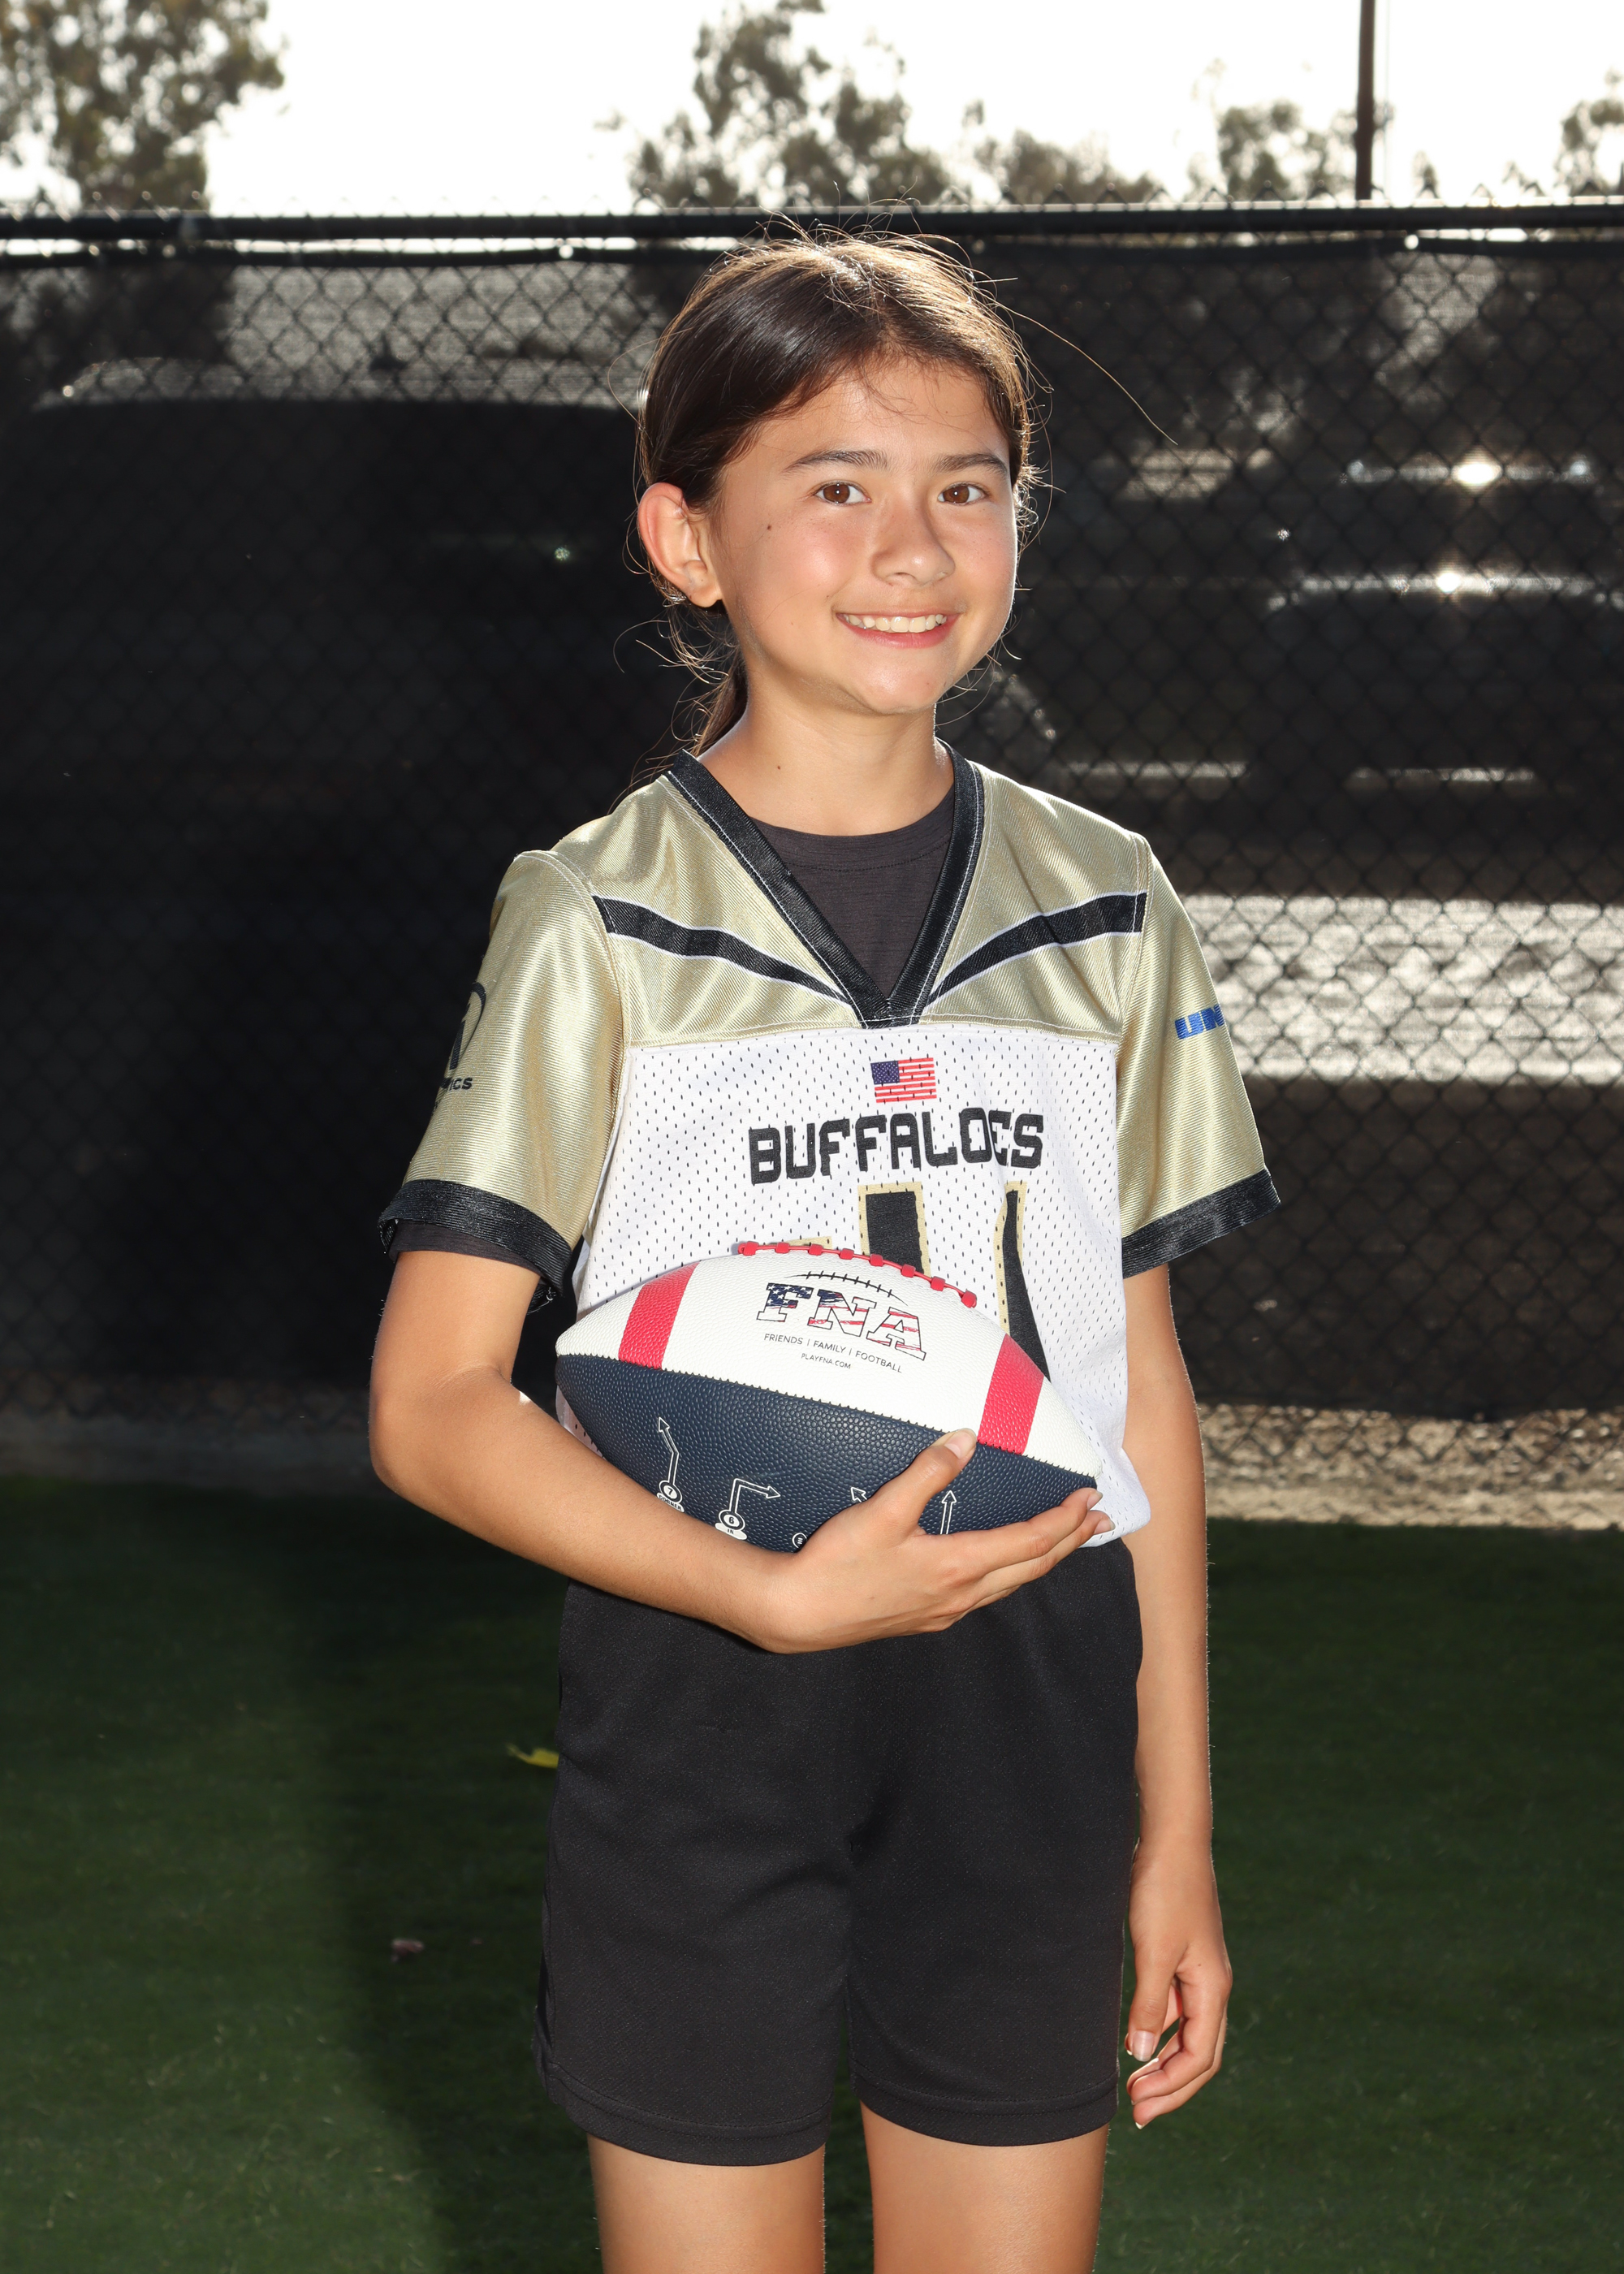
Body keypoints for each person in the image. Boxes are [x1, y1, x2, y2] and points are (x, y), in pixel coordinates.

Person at [370, 231, 1278, 2274]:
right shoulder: (599, 914)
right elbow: (431, 1404)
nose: (912, 545)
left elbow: (1139, 1392)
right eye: (835, 482)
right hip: (703, 1717)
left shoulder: (1106, 901)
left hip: (1030, 1716)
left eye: (968, 484)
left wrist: (1177, 1830)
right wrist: (762, 1593)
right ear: (685, 538)